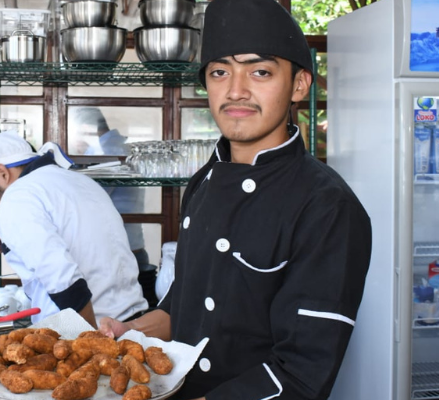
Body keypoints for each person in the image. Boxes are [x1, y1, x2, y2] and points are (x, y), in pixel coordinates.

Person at [98, 0, 373, 399]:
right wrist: (133, 331)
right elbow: (184, 309)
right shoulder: (204, 183)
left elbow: (301, 373)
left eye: (260, 72)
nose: (236, 91)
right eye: (219, 72)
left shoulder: (327, 207)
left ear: (299, 85)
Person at [0, 131, 149, 328]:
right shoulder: (79, 180)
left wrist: (91, 341)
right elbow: (78, 235)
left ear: (2, 173)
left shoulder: (15, 198)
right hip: (130, 319)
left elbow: (62, 278)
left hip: (87, 329)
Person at [74, 107, 159, 308]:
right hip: (130, 246)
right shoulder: (113, 147)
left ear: (86, 128)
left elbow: (90, 197)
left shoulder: (107, 151)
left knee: (118, 319)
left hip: (117, 254)